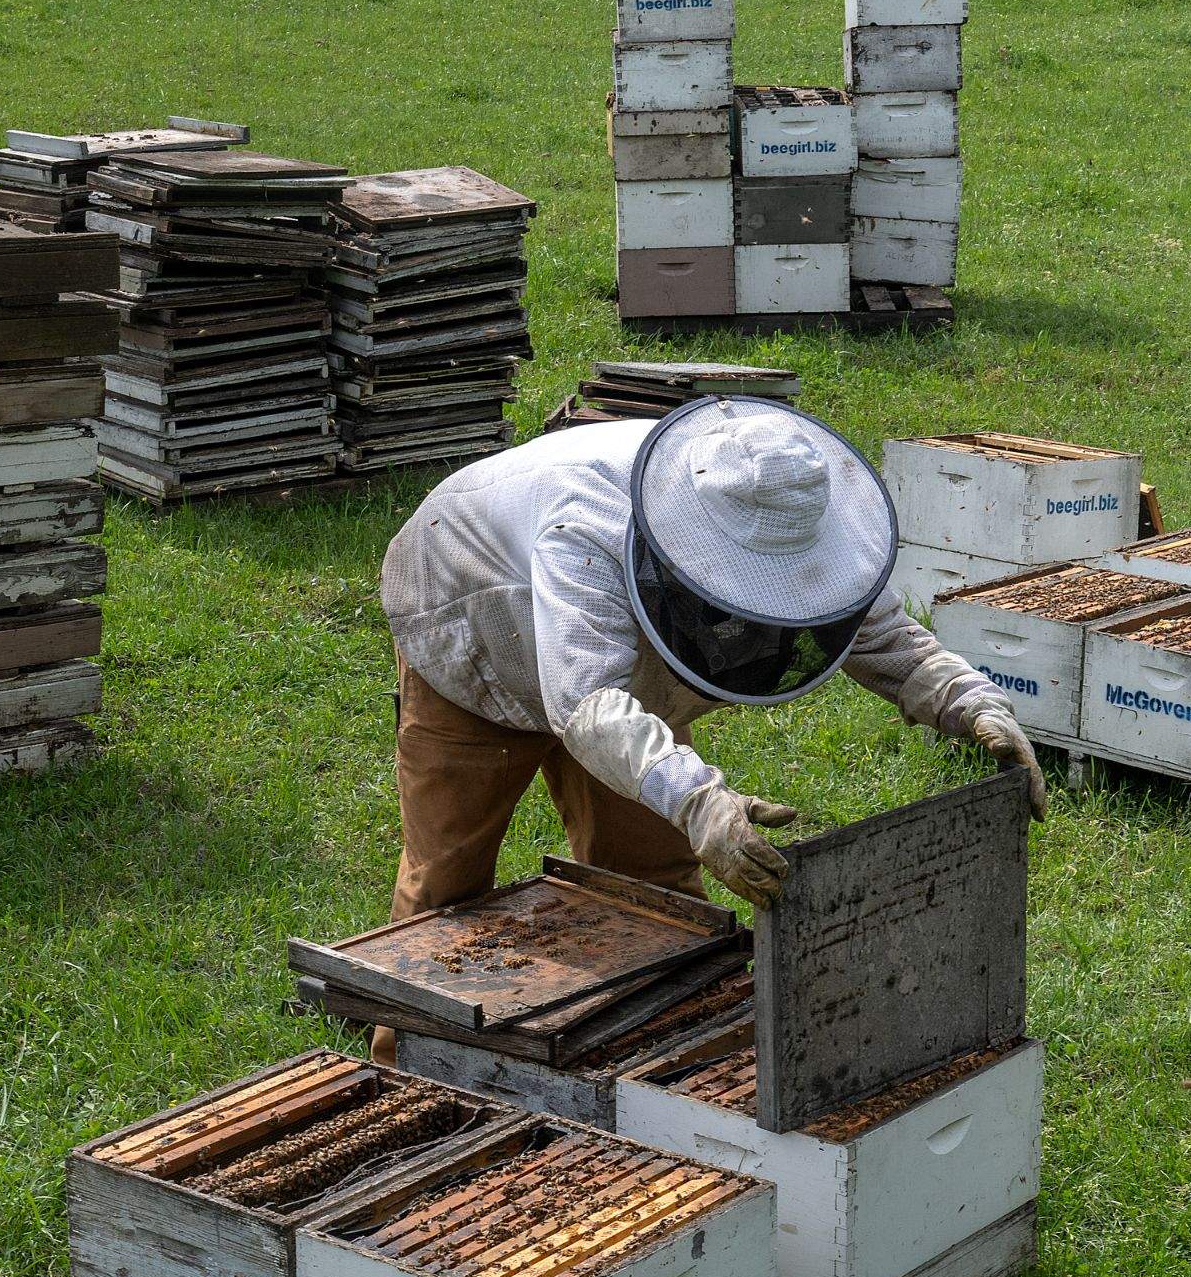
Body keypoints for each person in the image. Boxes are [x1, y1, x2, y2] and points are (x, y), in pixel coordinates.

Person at [376, 395, 1047, 933]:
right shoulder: (587, 531)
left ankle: (654, 1072)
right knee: (445, 893)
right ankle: (396, 1067)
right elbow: (587, 707)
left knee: (657, 884)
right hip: (471, 622)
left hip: (610, 685)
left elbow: (874, 631)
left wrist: (969, 699)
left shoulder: (793, 509)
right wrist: (698, 801)